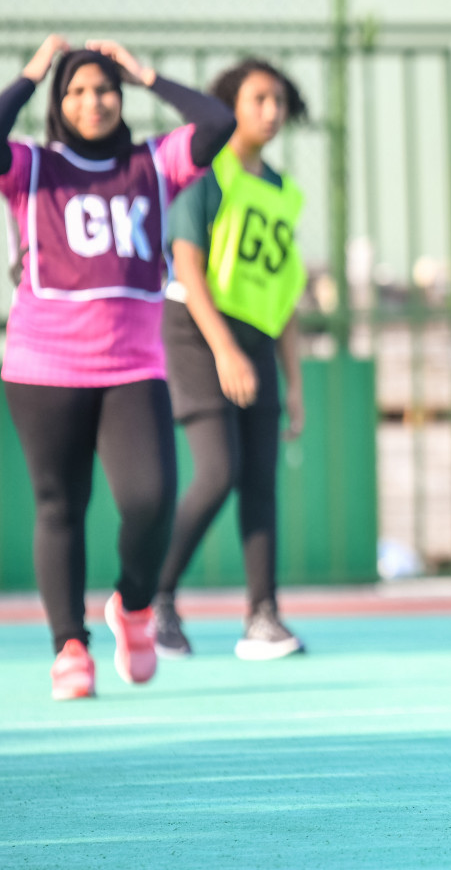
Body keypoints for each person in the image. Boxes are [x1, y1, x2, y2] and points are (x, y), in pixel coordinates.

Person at [0, 36, 235, 700]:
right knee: (60, 505)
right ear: (58, 102)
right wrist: (31, 72)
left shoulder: (156, 164)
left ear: (121, 97)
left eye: (105, 88)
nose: (92, 100)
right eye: (75, 90)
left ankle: (132, 605)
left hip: (133, 365)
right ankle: (68, 646)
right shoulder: (31, 167)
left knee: (150, 499)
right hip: (44, 365)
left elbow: (217, 123)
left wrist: (145, 70)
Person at [152, 58, 309, 661]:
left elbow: (286, 295)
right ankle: (152, 599)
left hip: (254, 340)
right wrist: (223, 350)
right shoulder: (206, 172)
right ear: (231, 105)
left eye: (279, 101)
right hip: (196, 330)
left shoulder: (284, 192)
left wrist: (293, 384)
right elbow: (188, 266)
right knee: (218, 472)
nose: (272, 111)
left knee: (260, 481)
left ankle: (262, 616)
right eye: (259, 99)